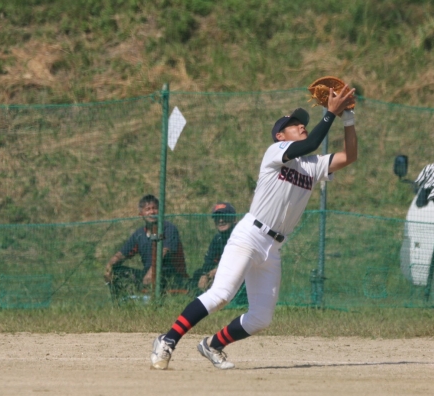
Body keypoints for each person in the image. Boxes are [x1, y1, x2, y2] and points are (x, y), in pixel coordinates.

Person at [150, 85, 358, 370]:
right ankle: (168, 339)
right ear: (280, 136)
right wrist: (330, 114)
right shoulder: (275, 152)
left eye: (302, 124)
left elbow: (349, 156)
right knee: (221, 295)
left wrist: (348, 118)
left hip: (273, 247)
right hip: (250, 235)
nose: (301, 126)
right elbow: (310, 144)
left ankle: (213, 345)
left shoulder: (312, 165)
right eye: (293, 124)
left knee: (261, 317)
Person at [104, 194, 188, 294]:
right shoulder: (139, 234)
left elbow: (164, 252)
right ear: (141, 214)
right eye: (148, 209)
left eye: (155, 208)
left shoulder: (169, 229)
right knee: (116, 272)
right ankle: (124, 301)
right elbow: (122, 254)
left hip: (171, 276)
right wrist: (110, 265)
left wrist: (152, 272)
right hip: (148, 274)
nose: (152, 212)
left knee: (157, 278)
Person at [189, 202, 248, 306]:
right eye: (217, 218)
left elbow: (242, 262)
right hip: (222, 274)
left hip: (242, 276)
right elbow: (209, 261)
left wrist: (219, 270)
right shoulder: (218, 238)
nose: (221, 220)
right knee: (197, 274)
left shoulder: (241, 236)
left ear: (234, 219)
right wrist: (205, 275)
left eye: (224, 217)